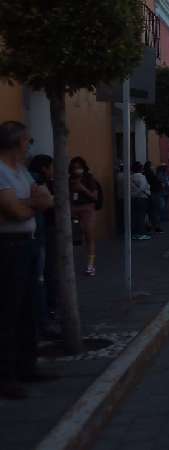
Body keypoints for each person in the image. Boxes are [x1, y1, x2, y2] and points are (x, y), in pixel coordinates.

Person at [0, 121, 55, 399]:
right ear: (15, 143)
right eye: (27, 141)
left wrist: (28, 204)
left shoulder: (20, 171)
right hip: (7, 248)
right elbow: (15, 212)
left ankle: (27, 366)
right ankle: (6, 376)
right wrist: (31, 204)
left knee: (29, 310)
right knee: (9, 311)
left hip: (28, 245)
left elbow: (46, 199)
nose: (29, 146)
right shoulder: (0, 172)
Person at [28, 155, 59, 339]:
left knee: (43, 276)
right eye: (50, 167)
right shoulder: (34, 180)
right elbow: (47, 203)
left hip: (39, 233)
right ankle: (43, 318)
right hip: (37, 235)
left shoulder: (32, 179)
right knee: (41, 278)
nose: (52, 171)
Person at [69, 157, 100, 276]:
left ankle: (91, 265)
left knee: (89, 236)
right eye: (74, 167)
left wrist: (82, 189)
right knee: (73, 237)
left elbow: (94, 196)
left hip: (87, 209)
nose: (77, 170)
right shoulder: (69, 179)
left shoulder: (88, 178)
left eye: (79, 167)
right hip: (73, 210)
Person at [130, 161, 151, 241]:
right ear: (140, 168)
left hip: (133, 198)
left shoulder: (130, 177)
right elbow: (143, 187)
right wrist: (139, 192)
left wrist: (134, 194)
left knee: (134, 217)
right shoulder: (141, 177)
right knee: (141, 217)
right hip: (142, 198)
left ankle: (135, 234)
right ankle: (140, 233)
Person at [143, 161, 163, 234]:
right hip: (154, 193)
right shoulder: (151, 174)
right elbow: (155, 182)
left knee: (150, 211)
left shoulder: (146, 173)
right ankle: (156, 227)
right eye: (152, 166)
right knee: (155, 211)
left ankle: (149, 225)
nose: (153, 167)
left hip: (150, 193)